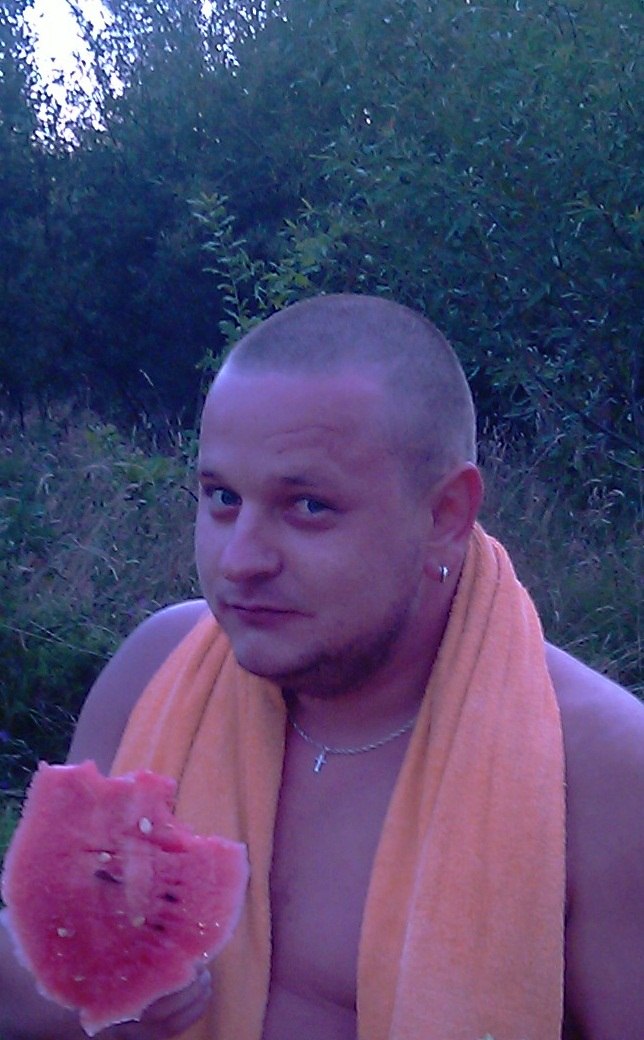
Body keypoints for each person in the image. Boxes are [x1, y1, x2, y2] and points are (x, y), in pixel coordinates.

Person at [1, 294, 643, 1040]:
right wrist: (103, 1004)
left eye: (307, 506)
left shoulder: (602, 772)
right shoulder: (154, 669)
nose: (240, 560)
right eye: (222, 498)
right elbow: (27, 971)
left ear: (445, 515)